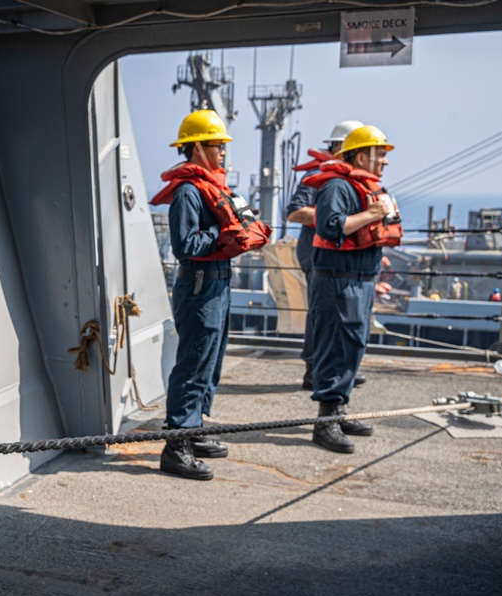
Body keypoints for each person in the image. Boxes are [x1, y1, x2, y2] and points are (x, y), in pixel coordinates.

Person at [149, 110, 270, 480]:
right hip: (200, 282)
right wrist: (224, 236)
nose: (223, 153)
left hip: (218, 282)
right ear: (197, 147)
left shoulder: (214, 187)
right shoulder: (188, 192)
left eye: (223, 146)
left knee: (211, 360)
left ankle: (195, 428)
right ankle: (176, 446)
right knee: (194, 361)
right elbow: (185, 245)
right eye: (217, 146)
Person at [302, 125, 402, 453]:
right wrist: (371, 214)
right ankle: (325, 421)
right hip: (337, 280)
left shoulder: (370, 187)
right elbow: (330, 227)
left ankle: (339, 409)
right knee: (334, 346)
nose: (385, 162)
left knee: (353, 347)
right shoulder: (336, 186)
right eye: (379, 154)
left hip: (361, 280)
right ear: (361, 155)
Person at [286, 120, 367, 391]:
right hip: (317, 251)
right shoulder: (322, 176)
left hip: (340, 254)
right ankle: (314, 368)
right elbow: (296, 211)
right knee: (322, 313)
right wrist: (337, 219)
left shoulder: (347, 180)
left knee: (340, 314)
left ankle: (339, 368)